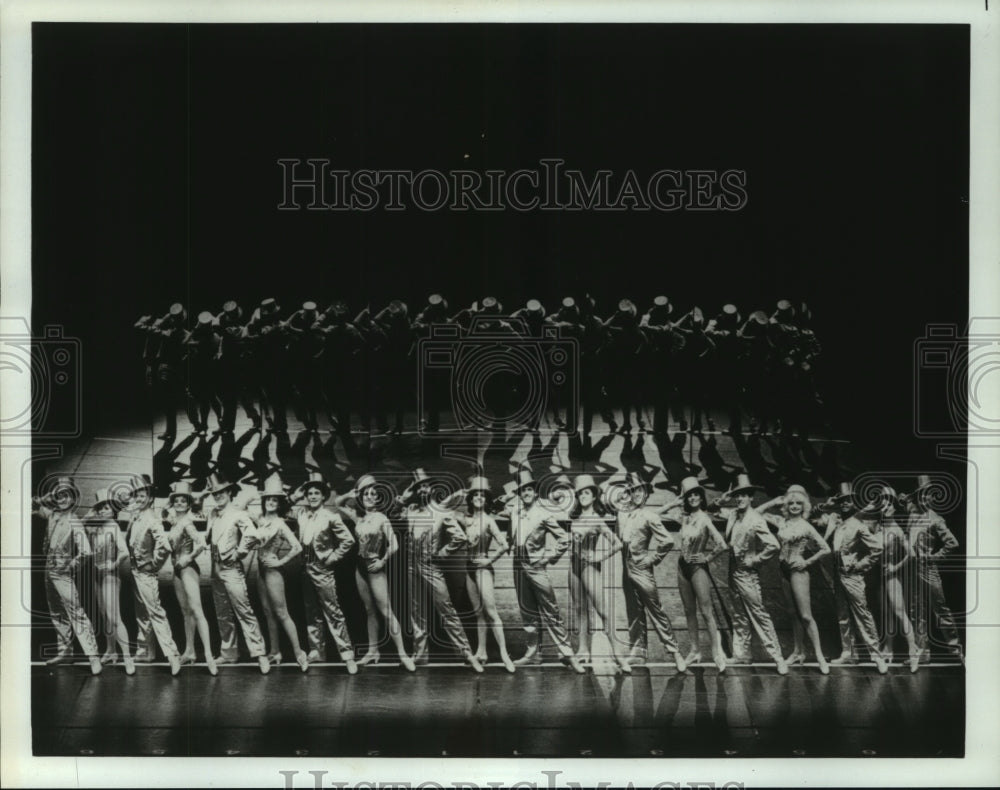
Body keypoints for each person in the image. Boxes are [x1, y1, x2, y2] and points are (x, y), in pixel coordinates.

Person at [392, 469, 483, 673]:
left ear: (432, 488)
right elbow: (394, 514)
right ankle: (420, 655)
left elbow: (460, 538)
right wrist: (403, 499)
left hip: (431, 564)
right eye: (419, 487)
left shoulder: (442, 512)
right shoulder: (411, 510)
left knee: (446, 609)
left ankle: (467, 654)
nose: (423, 489)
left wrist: (441, 554)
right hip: (410, 565)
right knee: (417, 612)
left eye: (425, 485)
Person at [499, 469, 585, 673]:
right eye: (522, 490)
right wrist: (511, 495)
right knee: (527, 611)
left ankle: (567, 654)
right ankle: (533, 654)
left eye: (529, 489)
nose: (526, 493)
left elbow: (565, 539)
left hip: (535, 566)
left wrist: (548, 558)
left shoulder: (544, 513)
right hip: (517, 564)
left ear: (536, 492)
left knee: (551, 611)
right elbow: (496, 506)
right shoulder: (515, 510)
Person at [333, 474, 415, 671]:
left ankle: (403, 655)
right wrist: (351, 493)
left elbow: (394, 544)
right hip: (359, 567)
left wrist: (382, 561)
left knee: (386, 611)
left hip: (374, 566)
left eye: (373, 494)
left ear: (378, 498)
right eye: (366, 494)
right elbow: (338, 503)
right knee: (369, 611)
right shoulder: (358, 517)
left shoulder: (381, 517)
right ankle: (372, 651)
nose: (369, 497)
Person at [614, 472, 687, 672]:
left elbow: (668, 541)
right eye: (632, 491)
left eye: (639, 490)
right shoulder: (622, 515)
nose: (636, 494)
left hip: (642, 570)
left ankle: (675, 653)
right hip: (626, 570)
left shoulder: (650, 516)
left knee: (656, 611)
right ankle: (638, 652)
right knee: (634, 612)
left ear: (645, 494)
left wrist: (651, 559)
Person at [757, 484, 831, 674]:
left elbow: (825, 548)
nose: (795, 506)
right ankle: (799, 651)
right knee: (792, 613)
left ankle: (820, 657)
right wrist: (774, 501)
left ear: (804, 505)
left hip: (798, 570)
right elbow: (756, 513)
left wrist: (807, 562)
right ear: (787, 505)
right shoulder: (781, 522)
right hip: (782, 569)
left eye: (799, 503)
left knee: (806, 615)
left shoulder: (805, 526)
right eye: (792, 503)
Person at [718, 474, 789, 674]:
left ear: (751, 498)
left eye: (743, 496)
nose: (739, 499)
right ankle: (742, 655)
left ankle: (778, 658)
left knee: (759, 614)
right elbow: (715, 511)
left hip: (747, 573)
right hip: (733, 569)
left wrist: (756, 559)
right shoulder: (733, 514)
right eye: (737, 496)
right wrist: (720, 501)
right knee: (738, 613)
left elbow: (773, 545)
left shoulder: (755, 519)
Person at [32, 477, 103, 675]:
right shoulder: (52, 515)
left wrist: (70, 566)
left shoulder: (74, 522)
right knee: (56, 612)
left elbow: (86, 552)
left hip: (62, 573)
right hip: (49, 570)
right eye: (59, 495)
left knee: (76, 612)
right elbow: (31, 505)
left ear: (73, 499)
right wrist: (48, 496)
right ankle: (65, 651)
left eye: (66, 495)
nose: (62, 499)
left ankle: (93, 656)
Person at [239, 473, 309, 672]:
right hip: (261, 570)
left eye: (274, 500)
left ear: (279, 504)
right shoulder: (260, 519)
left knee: (281, 613)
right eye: (268, 499)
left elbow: (297, 547)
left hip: (273, 572)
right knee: (268, 612)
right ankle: (275, 651)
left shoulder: (280, 523)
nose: (270, 502)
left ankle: (299, 653)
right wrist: (256, 494)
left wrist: (280, 561)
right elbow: (241, 509)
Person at [290, 472, 358, 673]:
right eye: (309, 493)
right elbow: (284, 508)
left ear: (323, 496)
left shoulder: (331, 516)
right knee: (311, 612)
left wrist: (332, 557)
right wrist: (296, 495)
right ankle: (317, 651)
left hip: (322, 568)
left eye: (316, 493)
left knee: (333, 611)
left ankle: (347, 654)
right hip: (305, 567)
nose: (312, 496)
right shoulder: (301, 513)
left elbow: (348, 540)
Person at [205, 471, 270, 674]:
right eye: (215, 494)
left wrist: (239, 553)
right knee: (222, 613)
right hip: (215, 567)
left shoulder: (238, 513)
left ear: (229, 492)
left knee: (244, 611)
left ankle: (260, 654)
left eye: (222, 492)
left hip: (231, 568)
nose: (218, 496)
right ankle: (229, 653)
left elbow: (252, 534)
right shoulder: (213, 514)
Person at [661, 477, 728, 671]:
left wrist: (707, 558)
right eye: (690, 495)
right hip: (682, 568)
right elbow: (657, 514)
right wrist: (675, 501)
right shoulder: (683, 517)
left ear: (701, 497)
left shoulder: (705, 518)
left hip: (698, 568)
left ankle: (717, 653)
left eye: (696, 494)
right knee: (689, 611)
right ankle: (695, 650)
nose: (693, 498)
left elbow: (722, 544)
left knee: (706, 612)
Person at [822, 482, 888, 673]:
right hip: (837, 573)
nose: (844, 503)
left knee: (863, 614)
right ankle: (848, 653)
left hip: (852, 575)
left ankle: (877, 655)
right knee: (842, 615)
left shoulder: (858, 525)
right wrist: (827, 506)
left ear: (854, 502)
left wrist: (859, 566)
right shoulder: (836, 521)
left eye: (848, 500)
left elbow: (877, 548)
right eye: (841, 500)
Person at [568, 474, 630, 673]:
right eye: (580, 493)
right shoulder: (575, 517)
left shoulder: (597, 519)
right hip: (573, 566)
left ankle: (619, 656)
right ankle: (583, 649)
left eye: (587, 492)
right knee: (579, 608)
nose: (583, 496)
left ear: (594, 496)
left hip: (589, 566)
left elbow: (618, 544)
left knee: (603, 611)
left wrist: (598, 557)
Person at [856, 486, 920, 673]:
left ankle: (913, 652)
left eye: (888, 505)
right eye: (882, 505)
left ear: (893, 507)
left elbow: (912, 554)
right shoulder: (878, 526)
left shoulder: (896, 530)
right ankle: (889, 648)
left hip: (891, 576)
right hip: (878, 575)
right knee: (886, 612)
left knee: (900, 612)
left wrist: (895, 567)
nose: (885, 508)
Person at [901, 475, 964, 665]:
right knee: (916, 610)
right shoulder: (912, 516)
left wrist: (933, 557)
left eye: (928, 495)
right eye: (921, 495)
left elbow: (952, 543)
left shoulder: (935, 519)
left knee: (940, 610)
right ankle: (922, 652)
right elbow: (907, 536)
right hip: (912, 568)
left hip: (928, 568)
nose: (924, 498)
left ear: (932, 497)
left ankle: (957, 651)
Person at [455, 476, 515, 673]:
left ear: (486, 500)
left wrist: (489, 560)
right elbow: (446, 510)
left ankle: (505, 654)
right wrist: (460, 493)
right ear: (471, 499)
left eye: (482, 496)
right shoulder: (465, 519)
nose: (479, 498)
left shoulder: (488, 520)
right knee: (478, 613)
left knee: (491, 612)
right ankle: (481, 652)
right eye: (476, 495)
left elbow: (505, 545)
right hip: (469, 569)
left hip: (483, 568)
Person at [124, 474, 182, 675]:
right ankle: (145, 651)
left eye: (143, 495)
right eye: (137, 495)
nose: (139, 498)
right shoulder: (137, 517)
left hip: (145, 574)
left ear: (150, 498)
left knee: (156, 613)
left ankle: (173, 656)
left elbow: (165, 546)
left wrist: (154, 565)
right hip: (135, 571)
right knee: (142, 614)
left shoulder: (152, 520)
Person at [165, 480, 218, 675]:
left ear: (188, 504)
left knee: (197, 611)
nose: (179, 503)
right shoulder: (174, 520)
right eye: (176, 500)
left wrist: (189, 558)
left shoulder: (187, 522)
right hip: (177, 570)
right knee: (185, 612)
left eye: (182, 501)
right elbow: (165, 510)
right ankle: (190, 651)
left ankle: (209, 656)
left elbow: (202, 543)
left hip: (187, 569)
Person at [81, 488, 134, 674]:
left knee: (114, 617)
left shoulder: (113, 526)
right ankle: (111, 651)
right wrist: (92, 513)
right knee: (104, 614)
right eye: (100, 508)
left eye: (106, 507)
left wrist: (113, 564)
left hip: (111, 575)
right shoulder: (95, 526)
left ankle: (127, 658)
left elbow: (124, 552)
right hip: (97, 575)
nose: (103, 511)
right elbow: (81, 524)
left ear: (113, 510)